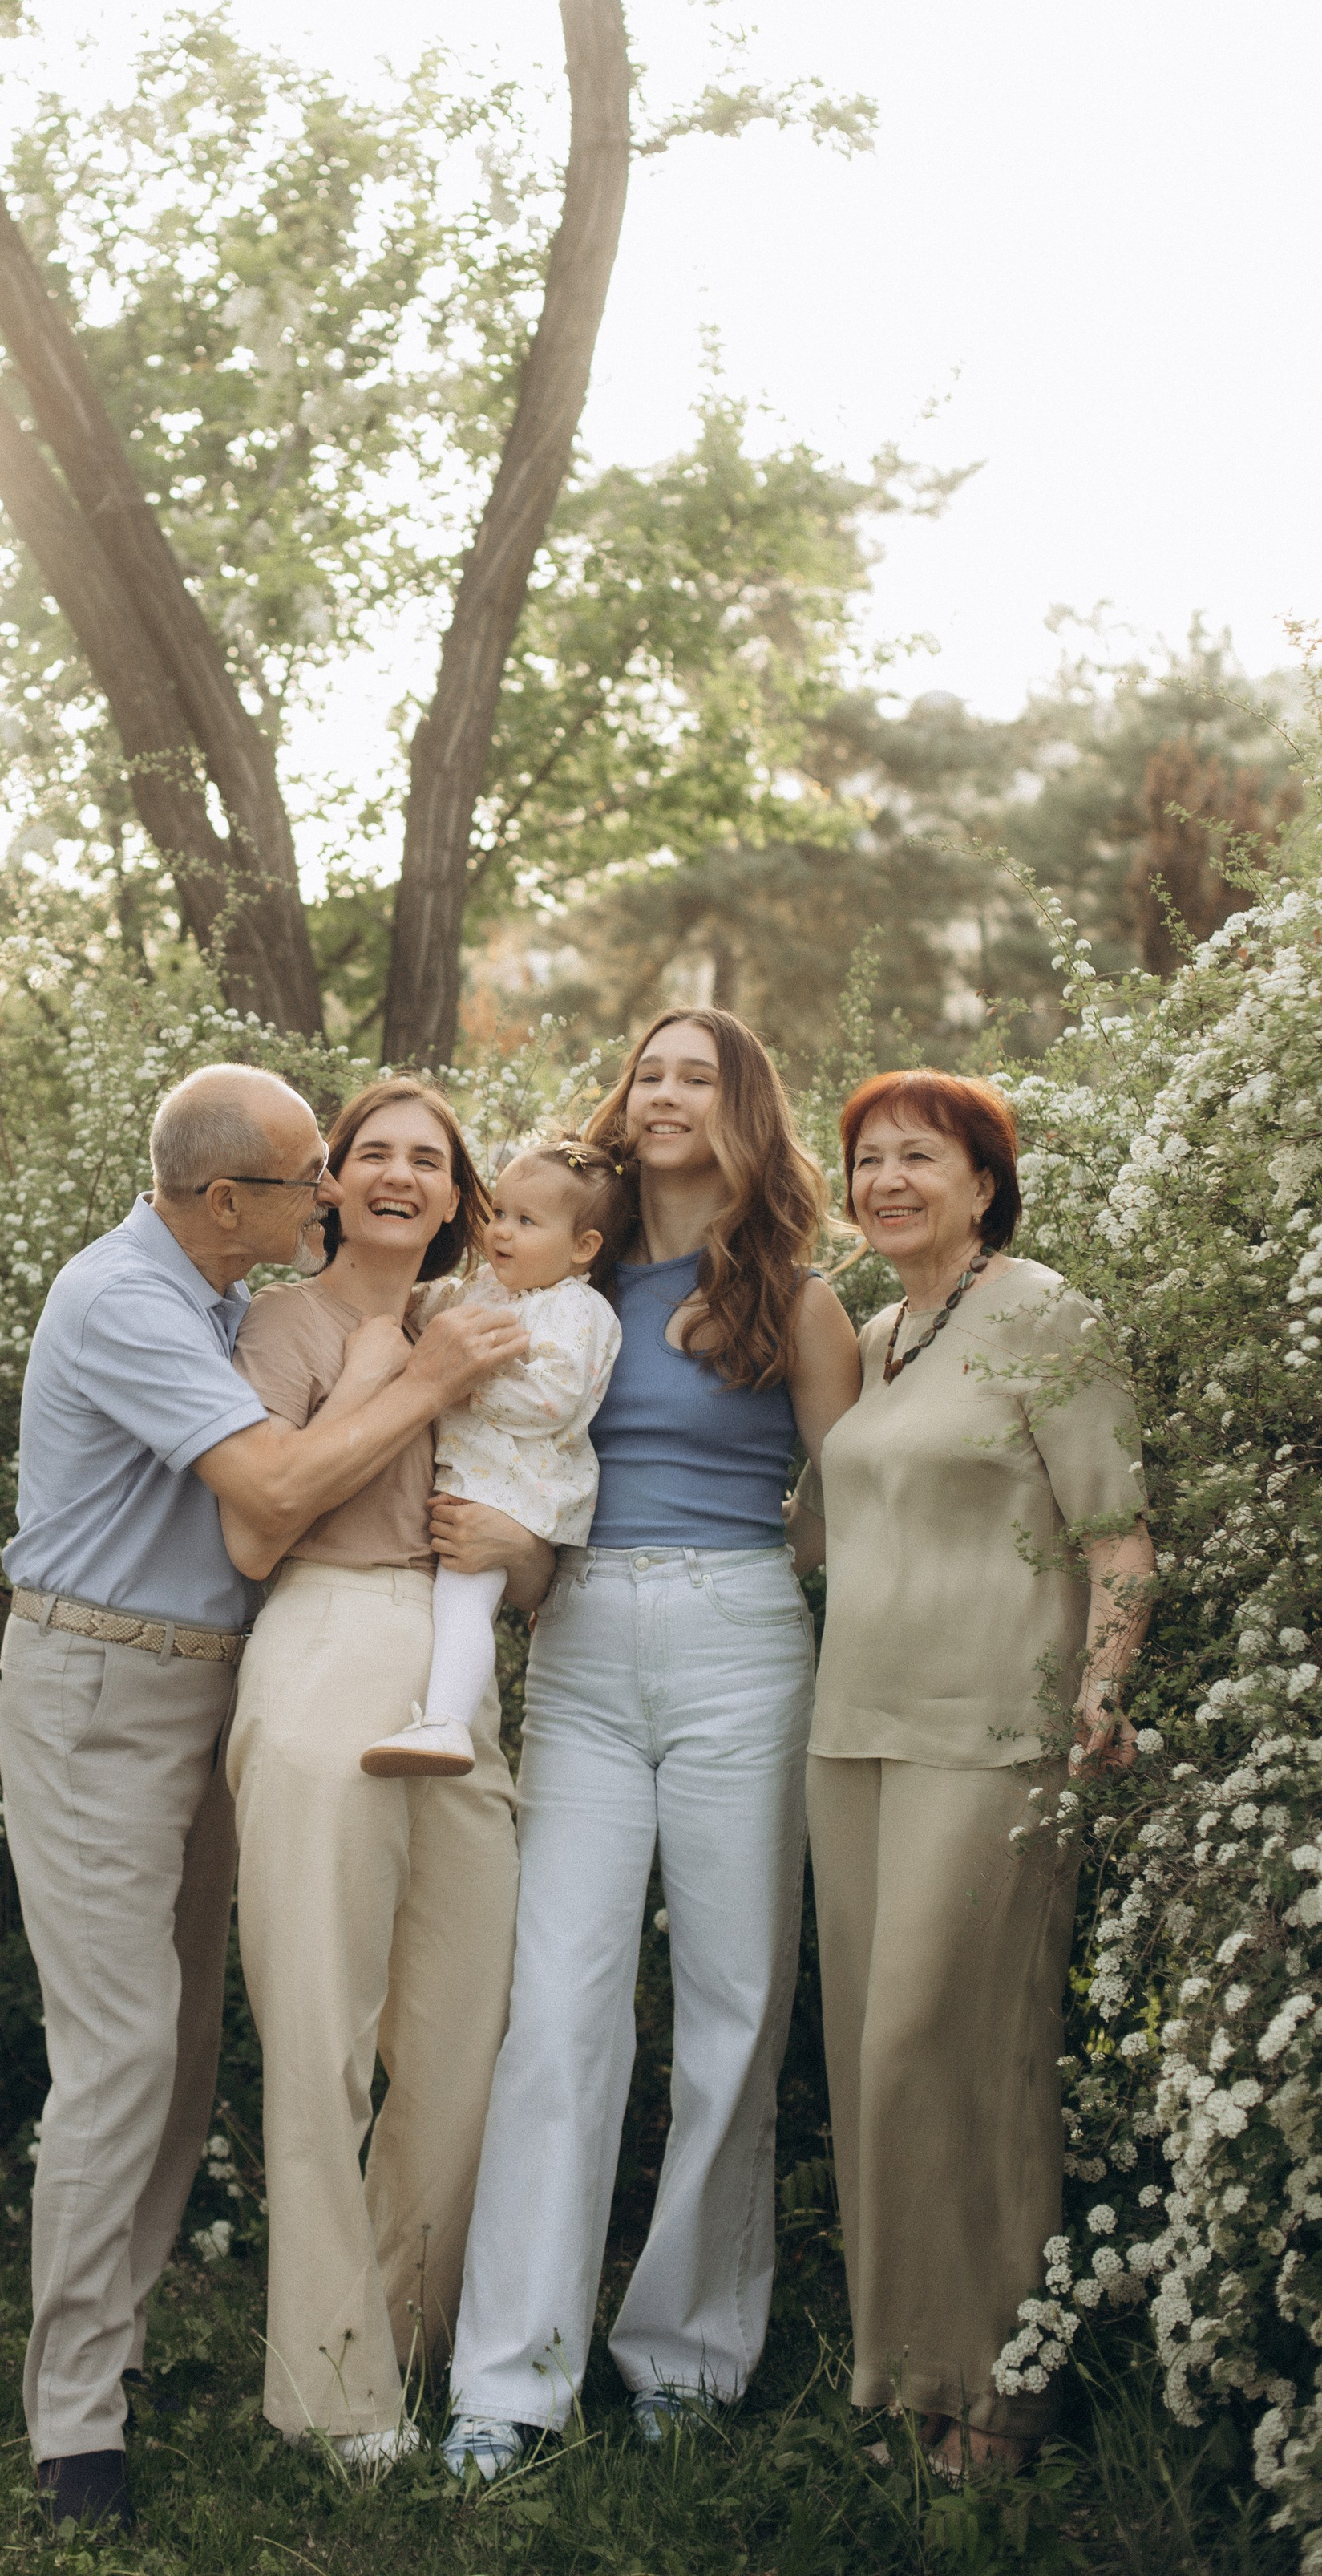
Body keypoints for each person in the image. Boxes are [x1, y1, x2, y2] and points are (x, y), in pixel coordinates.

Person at [0, 1063, 528, 2532]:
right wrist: (419, 1374)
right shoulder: (129, 1301)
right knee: (120, 2058)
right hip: (101, 1690)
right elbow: (271, 1501)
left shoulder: (224, 1297)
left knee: (171, 2065)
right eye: (311, 1177)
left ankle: (112, 2359)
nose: (333, 1195)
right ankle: (74, 2432)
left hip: (207, 1685)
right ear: (227, 1199)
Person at [440, 1009, 863, 2481]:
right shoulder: (564, 1262)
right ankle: (511, 2381)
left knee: (735, 2007)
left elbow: (844, 1497)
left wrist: (770, 1568)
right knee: (557, 2007)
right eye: (650, 1073)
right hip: (585, 1640)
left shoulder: (798, 1299)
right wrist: (513, 1552)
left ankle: (687, 2353)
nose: (666, 1093)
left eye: (699, 1074)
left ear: (743, 1109)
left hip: (745, 1637)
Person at [801, 1071, 1154, 2478]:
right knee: (870, 2071)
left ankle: (1002, 2400)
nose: (887, 1179)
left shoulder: (1045, 1314)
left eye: (918, 1158)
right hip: (854, 1732)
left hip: (997, 1731)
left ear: (984, 1181)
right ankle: (914, 2374)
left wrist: (1101, 1697)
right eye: (867, 1159)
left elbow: (1118, 1536)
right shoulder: (878, 1335)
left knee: (953, 2056)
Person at [216, 1078, 539, 2469]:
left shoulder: (488, 1332)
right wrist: (406, 1381)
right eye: (375, 1157)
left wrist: (521, 1553)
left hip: (460, 1672)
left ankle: (405, 2340)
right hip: (326, 1646)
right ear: (332, 1185)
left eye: (432, 1160)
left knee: (463, 2044)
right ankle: (332, 2390)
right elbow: (253, 1533)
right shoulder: (280, 1327)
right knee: (322, 2044)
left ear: (463, 1197)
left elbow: (542, 1538)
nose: (403, 1176)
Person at [362, 1139, 628, 1777]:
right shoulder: (490, 1287)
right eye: (500, 1212)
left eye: (526, 1222)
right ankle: (436, 1714)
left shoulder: (576, 1310)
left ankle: (448, 1724)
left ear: (583, 1246)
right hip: (478, 1477)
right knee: (447, 1594)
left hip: (520, 1485)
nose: (500, 1231)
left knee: (463, 1595)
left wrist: (464, 1382)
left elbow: (554, 1398)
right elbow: (432, 1308)